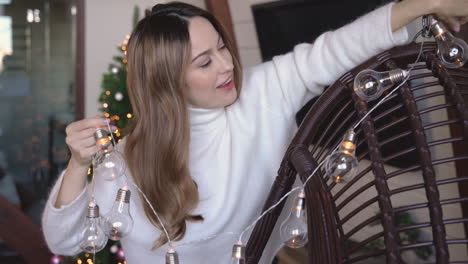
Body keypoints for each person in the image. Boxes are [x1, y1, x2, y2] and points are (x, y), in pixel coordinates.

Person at [42, 1, 468, 263]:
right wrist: (80, 166)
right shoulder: (129, 160)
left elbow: (336, 48)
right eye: (204, 62)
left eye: (222, 46)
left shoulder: (264, 91)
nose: (227, 66)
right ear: (168, 82)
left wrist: (417, 6)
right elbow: (65, 241)